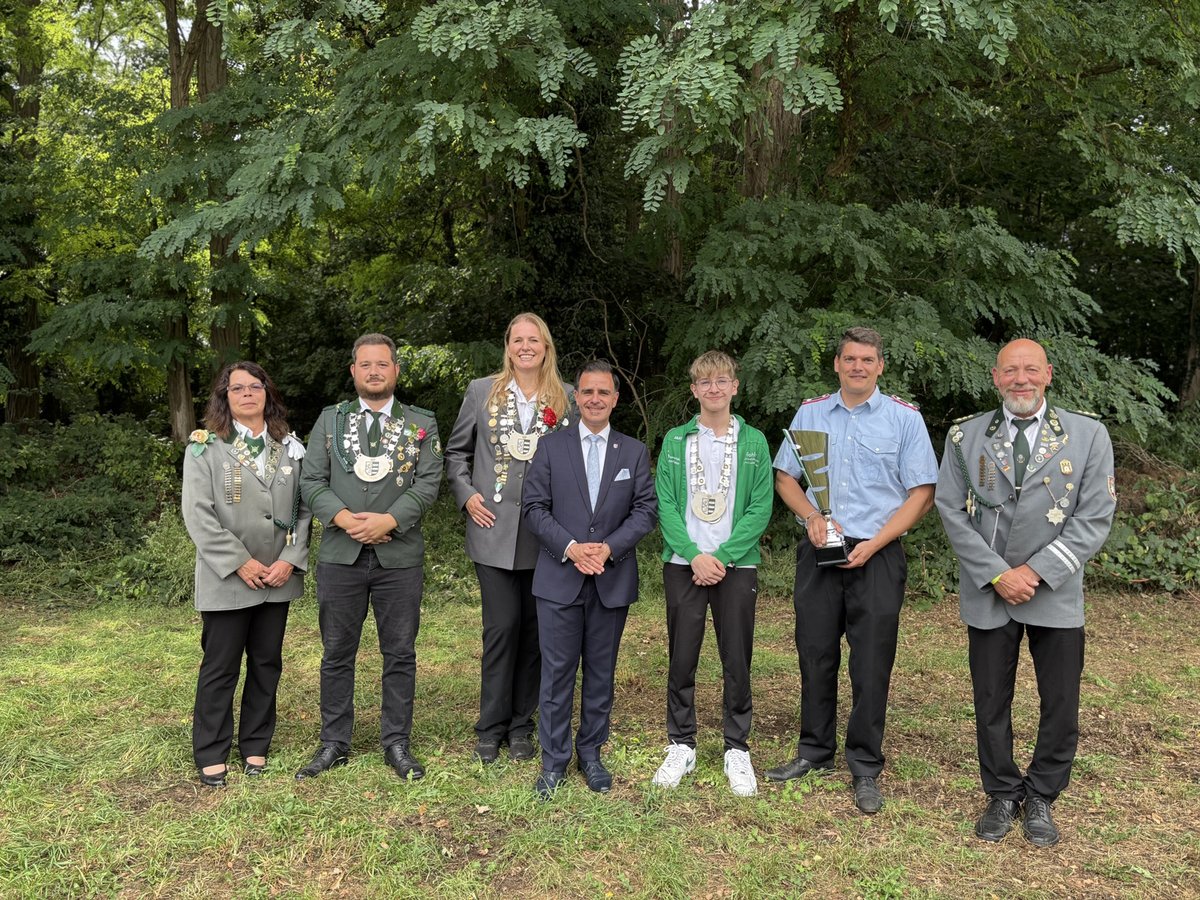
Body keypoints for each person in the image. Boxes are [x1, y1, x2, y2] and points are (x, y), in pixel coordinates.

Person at [935, 338, 1115, 847]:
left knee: (1060, 700)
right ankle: (1001, 792)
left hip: (1054, 590)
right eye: (1010, 371)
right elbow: (951, 509)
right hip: (990, 590)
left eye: (1030, 370)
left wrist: (1033, 573)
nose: (1021, 379)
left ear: (1048, 374)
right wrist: (997, 574)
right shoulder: (965, 436)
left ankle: (1041, 795)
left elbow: (1095, 516)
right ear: (995, 377)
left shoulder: (1087, 434)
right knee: (990, 698)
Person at [766, 326, 937, 814]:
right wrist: (811, 516)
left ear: (880, 366)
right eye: (849, 359)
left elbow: (922, 493)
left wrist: (877, 543)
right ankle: (814, 751)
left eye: (867, 360)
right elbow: (785, 477)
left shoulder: (904, 420)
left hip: (878, 553)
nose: (858, 367)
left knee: (871, 662)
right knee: (815, 653)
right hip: (822, 548)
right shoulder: (811, 412)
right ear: (837, 364)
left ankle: (864, 764)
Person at [296, 333, 442, 782]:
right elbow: (311, 480)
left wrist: (388, 522)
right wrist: (342, 517)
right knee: (337, 651)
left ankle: (395, 742)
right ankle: (334, 741)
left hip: (398, 556)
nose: (374, 371)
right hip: (341, 554)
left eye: (383, 364)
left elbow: (429, 482)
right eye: (366, 364)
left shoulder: (422, 423)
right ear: (353, 371)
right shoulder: (329, 421)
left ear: (396, 370)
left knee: (399, 652)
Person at [522, 360, 657, 799]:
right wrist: (572, 548)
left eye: (604, 392)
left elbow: (646, 510)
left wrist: (609, 548)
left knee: (601, 673)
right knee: (557, 672)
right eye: (587, 392)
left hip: (610, 578)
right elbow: (534, 508)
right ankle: (554, 760)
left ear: (615, 399)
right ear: (575, 397)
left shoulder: (632, 452)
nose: (595, 399)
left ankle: (592, 754)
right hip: (560, 577)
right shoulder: (550, 447)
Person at [445, 312, 573, 764]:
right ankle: (490, 726)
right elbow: (456, 452)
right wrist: (466, 495)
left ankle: (522, 725)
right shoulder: (483, 391)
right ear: (508, 345)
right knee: (501, 629)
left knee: (537, 635)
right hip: (493, 530)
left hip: (546, 539)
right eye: (517, 340)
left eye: (533, 340)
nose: (525, 347)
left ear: (545, 346)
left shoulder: (568, 398)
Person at [182, 361, 311, 787]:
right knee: (221, 666)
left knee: (267, 663)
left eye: (255, 387)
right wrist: (241, 561)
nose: (248, 394)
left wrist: (291, 558)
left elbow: (305, 508)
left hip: (278, 576)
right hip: (229, 577)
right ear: (225, 397)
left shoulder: (289, 447)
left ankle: (255, 743)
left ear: (267, 394)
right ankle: (211, 750)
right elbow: (198, 515)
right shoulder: (205, 448)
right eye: (237, 389)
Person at [651, 351, 773, 796]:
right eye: (705, 382)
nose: (714, 388)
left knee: (736, 658)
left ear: (735, 386)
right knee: (682, 656)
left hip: (736, 565)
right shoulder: (675, 441)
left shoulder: (755, 442)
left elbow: (761, 506)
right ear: (694, 390)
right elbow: (664, 502)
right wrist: (692, 554)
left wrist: (722, 555)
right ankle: (681, 743)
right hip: (684, 564)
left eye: (722, 380)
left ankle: (736, 746)